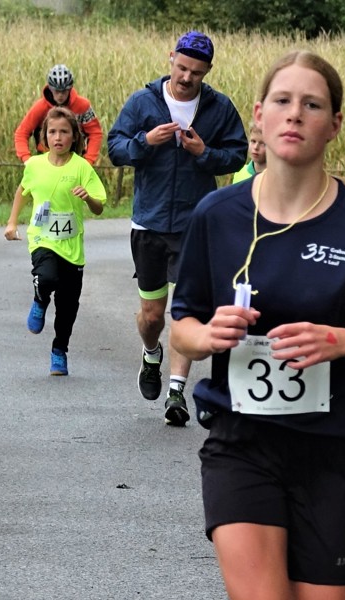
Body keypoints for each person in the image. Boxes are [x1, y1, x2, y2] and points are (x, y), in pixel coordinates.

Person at [170, 50, 345, 599]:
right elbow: (182, 325)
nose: (295, 114)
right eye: (282, 101)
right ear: (259, 114)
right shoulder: (218, 215)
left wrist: (342, 340)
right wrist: (207, 337)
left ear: (334, 125)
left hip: (334, 454)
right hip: (242, 443)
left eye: (312, 105)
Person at [107, 30, 247, 426]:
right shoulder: (143, 101)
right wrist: (145, 141)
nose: (187, 78)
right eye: (182, 68)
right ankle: (152, 354)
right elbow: (116, 149)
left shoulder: (219, 108)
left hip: (195, 225)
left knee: (186, 313)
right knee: (152, 315)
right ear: (171, 59)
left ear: (207, 72)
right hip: (149, 223)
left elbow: (236, 154)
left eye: (196, 73)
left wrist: (205, 153)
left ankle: (176, 392)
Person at [4, 107, 106, 376]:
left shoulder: (82, 167)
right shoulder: (35, 166)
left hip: (72, 247)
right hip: (42, 239)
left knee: (68, 306)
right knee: (46, 278)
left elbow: (99, 208)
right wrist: (12, 222)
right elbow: (22, 192)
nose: (58, 137)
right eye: (52, 132)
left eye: (64, 132)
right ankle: (39, 298)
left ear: (74, 137)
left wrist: (88, 198)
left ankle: (59, 350)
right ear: (44, 136)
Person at [13, 64, 103, 166]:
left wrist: (88, 161)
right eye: (57, 91)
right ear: (50, 89)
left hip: (75, 159)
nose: (60, 95)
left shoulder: (83, 106)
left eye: (64, 91)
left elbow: (95, 133)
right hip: (46, 160)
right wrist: (27, 159)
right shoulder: (40, 107)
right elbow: (21, 133)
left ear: (70, 89)